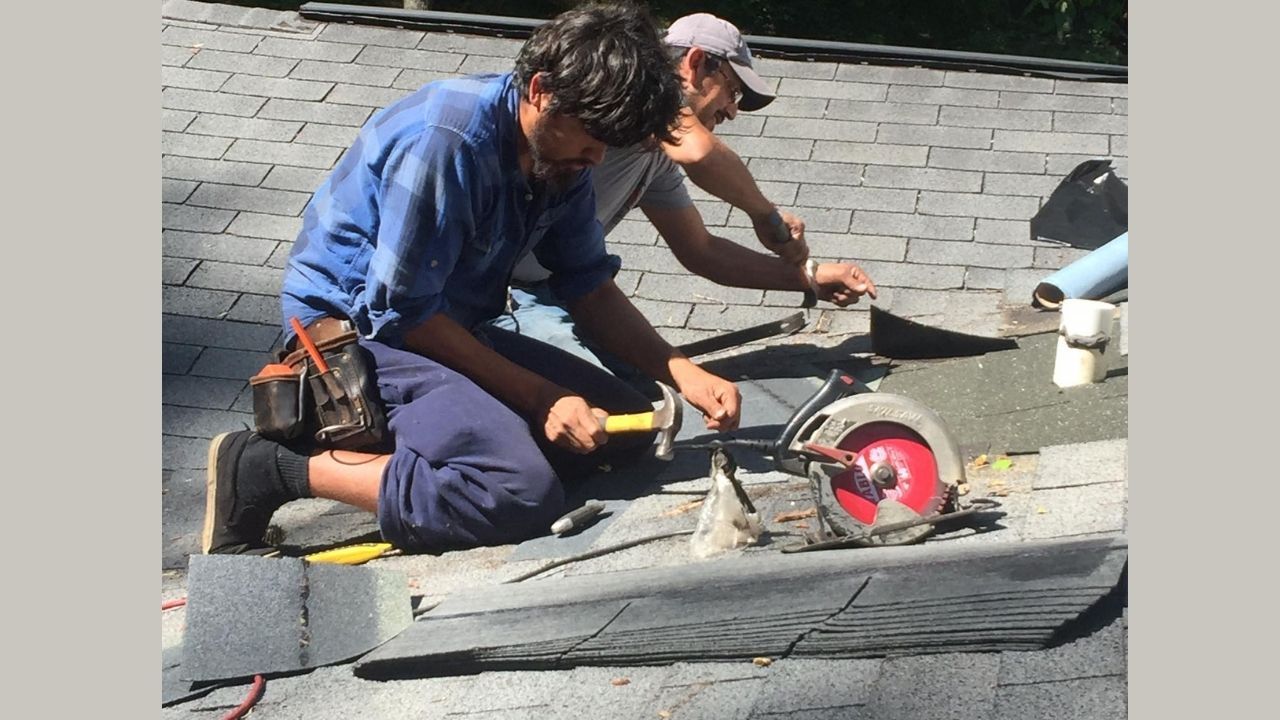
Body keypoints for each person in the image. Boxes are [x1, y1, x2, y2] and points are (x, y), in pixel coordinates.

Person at [200, 3, 742, 557]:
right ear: (541, 91)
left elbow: (588, 285)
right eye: (591, 138)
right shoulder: (447, 141)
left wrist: (684, 373)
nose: (597, 158)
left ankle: (455, 449)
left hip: (449, 324)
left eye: (609, 144)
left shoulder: (562, 156)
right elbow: (403, 315)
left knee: (625, 429)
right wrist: (541, 397)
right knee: (517, 492)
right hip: (358, 335)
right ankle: (269, 466)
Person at [494, 13, 879, 370]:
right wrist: (765, 214)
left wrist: (812, 277)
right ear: (695, 63)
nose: (732, 111)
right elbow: (699, 152)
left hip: (564, 292)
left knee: (641, 390)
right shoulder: (632, 97)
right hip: (503, 295)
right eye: (732, 90)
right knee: (594, 399)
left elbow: (701, 250)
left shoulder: (653, 156)